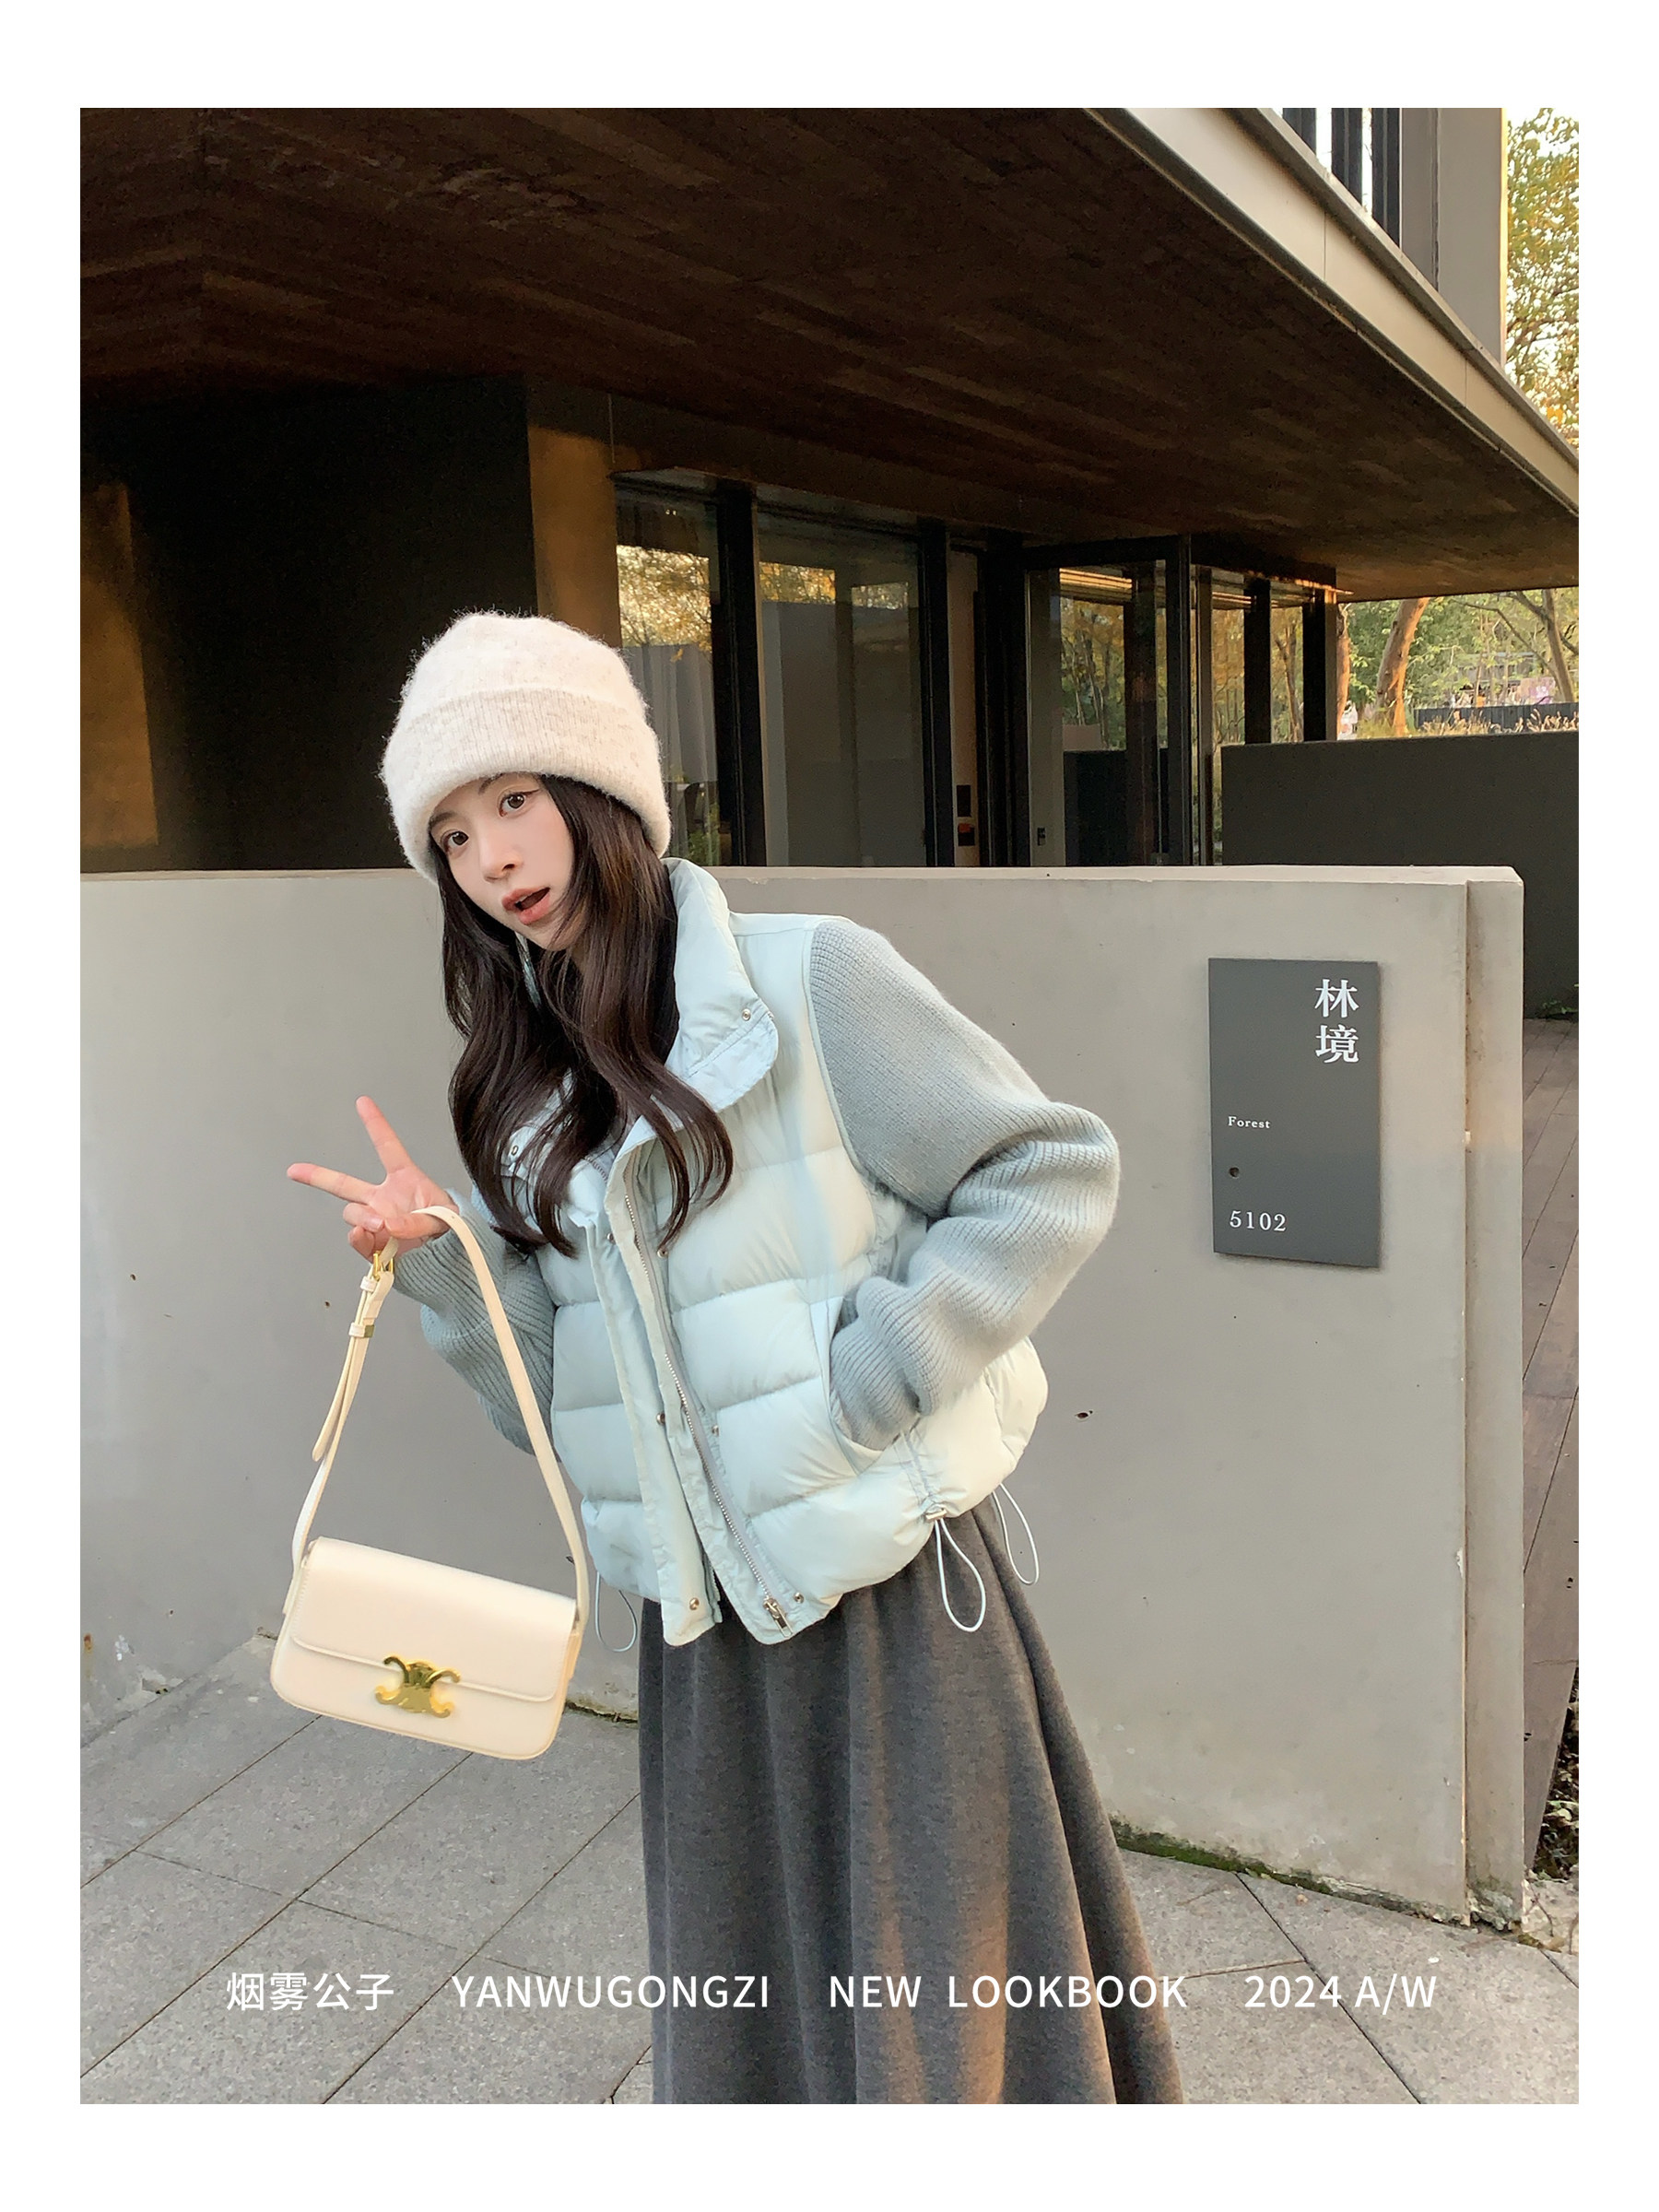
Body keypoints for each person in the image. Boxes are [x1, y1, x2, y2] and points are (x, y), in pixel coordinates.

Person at [288, 611, 1182, 2106]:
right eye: (451, 835)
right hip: (703, 1636)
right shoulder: (522, 1089)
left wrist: (871, 1383)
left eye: (515, 799)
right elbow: (557, 1406)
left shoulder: (811, 979)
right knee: (756, 2011)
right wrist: (443, 1261)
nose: (492, 857)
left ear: (602, 794)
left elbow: (1049, 1169)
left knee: (934, 2017)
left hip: (887, 1596)